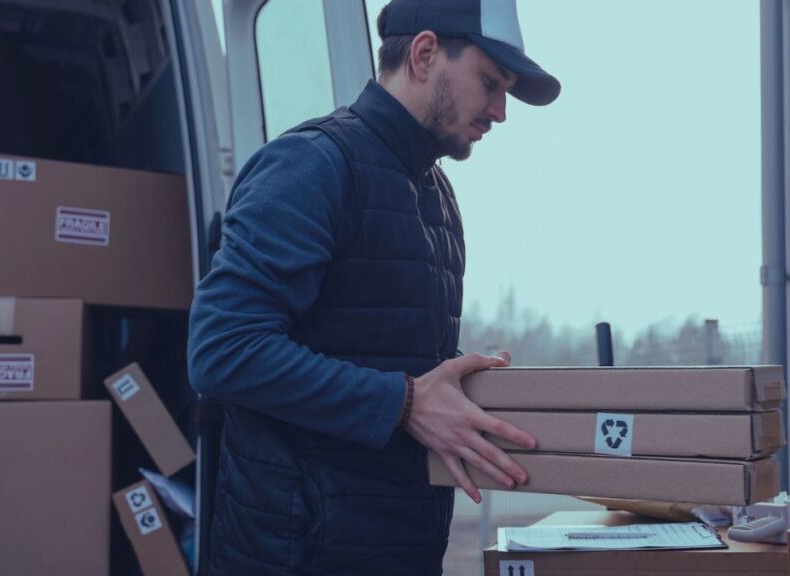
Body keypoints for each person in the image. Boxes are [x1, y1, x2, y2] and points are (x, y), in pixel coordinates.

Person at [188, 0, 560, 573]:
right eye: (490, 82)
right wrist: (406, 403)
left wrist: (463, 393)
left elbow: (381, 353)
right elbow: (221, 350)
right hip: (294, 559)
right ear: (424, 54)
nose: (500, 111)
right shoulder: (310, 165)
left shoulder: (437, 194)